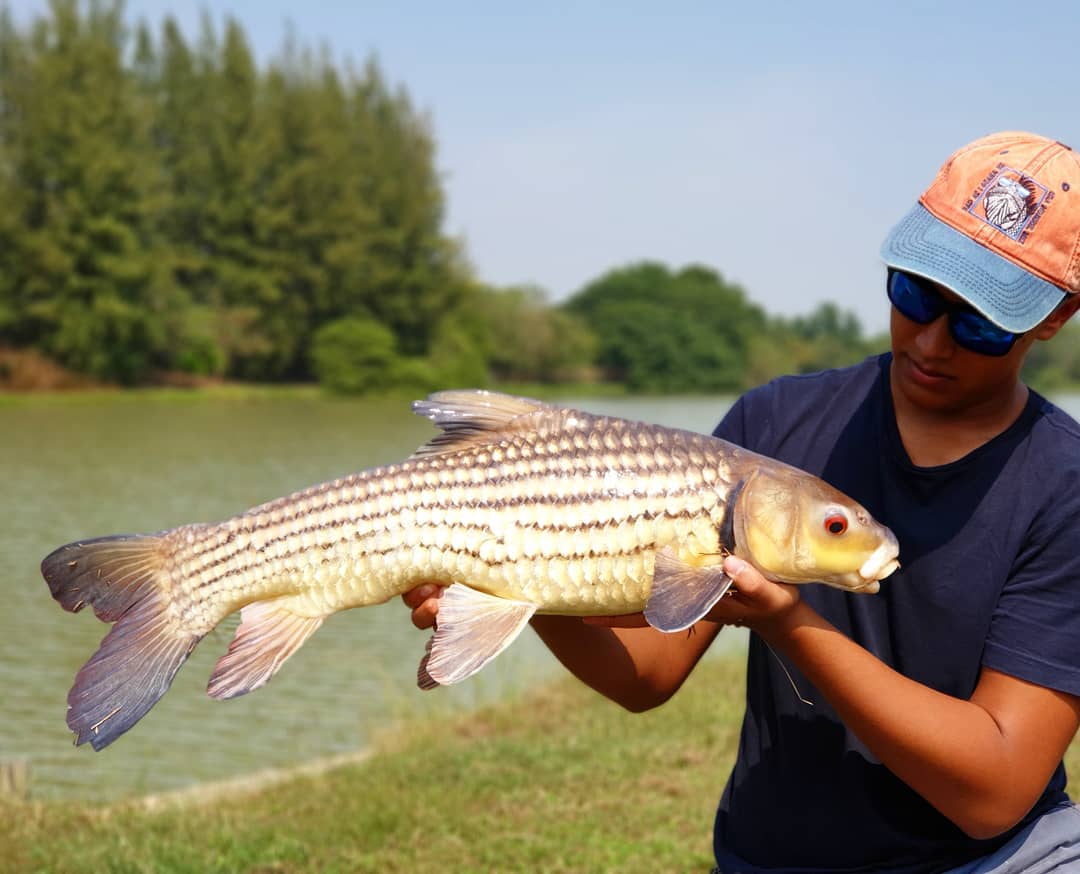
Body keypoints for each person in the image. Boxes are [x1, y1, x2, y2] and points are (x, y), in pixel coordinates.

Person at [403, 130, 1080, 873]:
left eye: (980, 323)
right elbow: (647, 677)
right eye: (915, 293)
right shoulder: (773, 425)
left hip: (996, 859)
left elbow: (994, 793)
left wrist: (789, 623)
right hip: (777, 853)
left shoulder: (1064, 483)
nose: (931, 341)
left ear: (1052, 320)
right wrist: (519, 578)